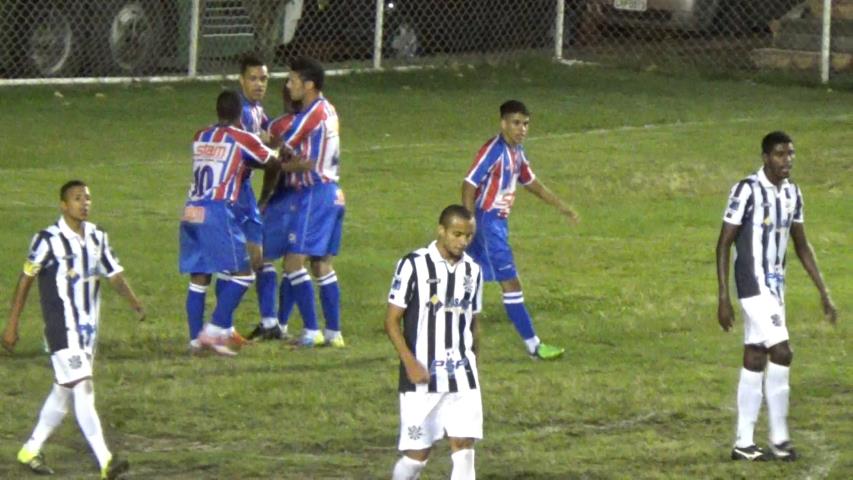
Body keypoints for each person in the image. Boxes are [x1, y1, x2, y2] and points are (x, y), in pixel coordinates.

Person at [2, 180, 144, 479]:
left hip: (87, 330)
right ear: (63, 205)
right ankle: (106, 461)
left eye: (88, 198)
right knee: (84, 386)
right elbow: (25, 279)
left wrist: (135, 303)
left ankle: (30, 449)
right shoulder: (46, 239)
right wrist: (12, 324)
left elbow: (114, 274)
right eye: (77, 198)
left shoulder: (97, 236)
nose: (84, 203)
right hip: (60, 328)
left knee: (63, 391)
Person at [716, 131, 837, 462]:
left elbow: (801, 244)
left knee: (755, 356)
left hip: (775, 287)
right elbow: (724, 242)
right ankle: (780, 441)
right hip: (752, 285)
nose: (788, 160)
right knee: (782, 352)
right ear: (765, 157)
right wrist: (723, 297)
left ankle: (743, 442)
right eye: (781, 154)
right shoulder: (747, 190)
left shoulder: (793, 194)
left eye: (791, 154)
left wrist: (823, 291)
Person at [462, 100, 579, 360]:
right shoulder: (493, 150)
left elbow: (531, 182)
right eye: (516, 123)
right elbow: (469, 184)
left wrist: (562, 206)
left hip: (496, 224)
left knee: (472, 281)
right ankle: (534, 347)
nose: (522, 128)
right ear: (503, 123)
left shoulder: (516, 151)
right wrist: (470, 221)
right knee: (510, 283)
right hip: (487, 224)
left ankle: (463, 345)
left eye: (525, 124)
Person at [385, 205, 484, 480]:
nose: (463, 242)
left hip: (462, 375)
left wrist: (474, 364)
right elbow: (391, 321)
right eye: (457, 234)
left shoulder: (473, 271)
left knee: (464, 447)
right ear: (441, 230)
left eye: (468, 236)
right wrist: (410, 363)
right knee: (417, 457)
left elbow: (473, 320)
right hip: (422, 377)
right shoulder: (413, 265)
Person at [181, 90, 279, 356]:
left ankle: (195, 342)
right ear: (241, 114)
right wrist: (265, 196)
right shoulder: (242, 137)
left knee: (199, 277)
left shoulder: (200, 135)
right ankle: (214, 330)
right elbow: (274, 162)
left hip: (192, 209)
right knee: (244, 272)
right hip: (217, 210)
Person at [259, 56, 345, 347]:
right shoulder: (329, 109)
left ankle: (311, 331)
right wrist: (296, 163)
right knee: (322, 265)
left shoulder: (312, 113)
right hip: (334, 193)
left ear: (309, 85)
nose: (288, 85)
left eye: (293, 80)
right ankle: (334, 334)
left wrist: (257, 150)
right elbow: (304, 159)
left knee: (294, 263)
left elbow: (280, 146)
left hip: (316, 194)